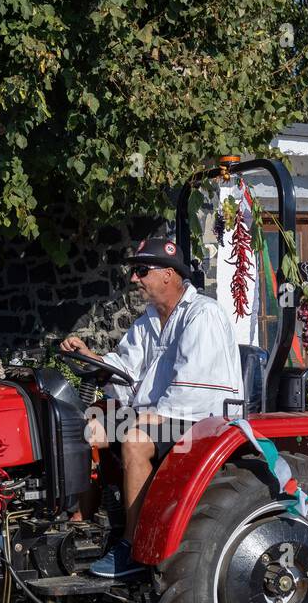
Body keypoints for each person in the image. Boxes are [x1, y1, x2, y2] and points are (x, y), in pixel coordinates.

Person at [60, 236, 243, 577]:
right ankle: (78, 525)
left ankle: (133, 547)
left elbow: (196, 389)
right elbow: (124, 366)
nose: (134, 279)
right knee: (87, 425)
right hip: (165, 414)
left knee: (136, 439)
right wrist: (88, 357)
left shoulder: (203, 315)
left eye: (142, 270)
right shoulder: (149, 320)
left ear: (169, 276)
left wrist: (144, 416)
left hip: (204, 422)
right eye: (134, 271)